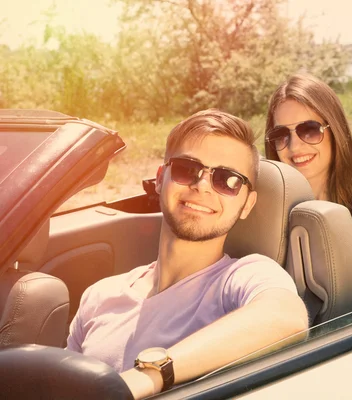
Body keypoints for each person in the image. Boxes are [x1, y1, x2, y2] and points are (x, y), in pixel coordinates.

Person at [66, 109, 308, 399]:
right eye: (186, 169)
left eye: (228, 180)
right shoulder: (100, 296)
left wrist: (150, 375)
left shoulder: (242, 278)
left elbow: (286, 317)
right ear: (160, 179)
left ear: (247, 204)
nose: (202, 186)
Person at [264, 74, 352, 302]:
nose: (294, 145)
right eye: (281, 135)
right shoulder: (263, 225)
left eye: (310, 130)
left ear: (336, 132)